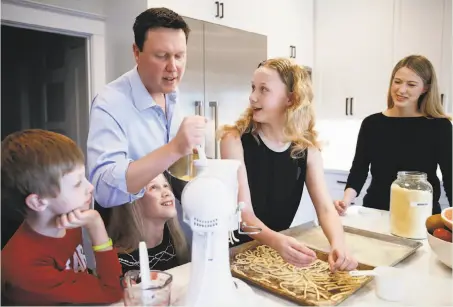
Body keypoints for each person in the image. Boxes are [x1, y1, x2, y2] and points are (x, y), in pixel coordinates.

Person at [218, 58, 358, 272]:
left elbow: (325, 209)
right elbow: (244, 217)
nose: (252, 96)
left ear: (291, 99)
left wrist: (339, 245)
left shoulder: (307, 150)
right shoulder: (234, 140)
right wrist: (277, 241)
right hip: (236, 255)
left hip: (276, 255)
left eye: (264, 89)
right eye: (253, 87)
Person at [87, 7, 206, 214]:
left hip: (174, 233)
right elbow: (103, 190)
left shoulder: (175, 94)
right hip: (131, 238)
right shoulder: (110, 103)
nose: (173, 67)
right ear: (136, 52)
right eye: (162, 56)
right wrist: (174, 148)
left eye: (180, 56)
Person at [1, 129, 123, 306]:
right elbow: (112, 292)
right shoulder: (25, 268)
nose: (90, 187)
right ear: (38, 202)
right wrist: (96, 225)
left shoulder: (69, 220)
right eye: (77, 183)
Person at [334, 55, 452, 216]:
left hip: (421, 214)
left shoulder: (439, 126)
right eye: (397, 81)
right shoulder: (372, 124)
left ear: (425, 88)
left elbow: (450, 176)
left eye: (411, 84)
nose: (401, 90)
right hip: (376, 212)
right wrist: (345, 201)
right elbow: (359, 170)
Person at [107, 174, 189, 275]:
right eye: (153, 187)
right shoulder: (121, 263)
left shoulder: (173, 240)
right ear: (134, 202)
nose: (166, 193)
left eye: (166, 186)